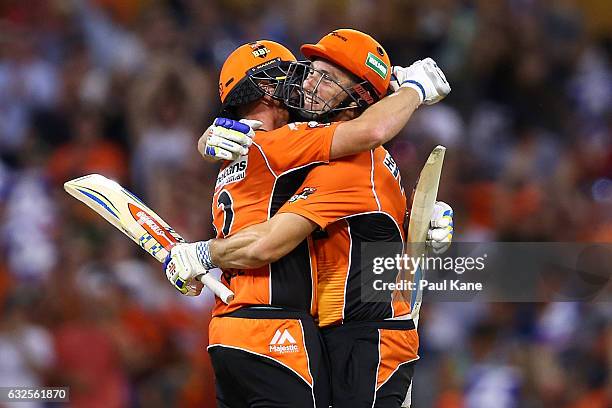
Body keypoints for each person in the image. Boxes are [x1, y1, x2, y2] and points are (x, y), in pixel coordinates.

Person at [167, 30, 452, 407]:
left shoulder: (346, 159)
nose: (305, 85)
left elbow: (371, 136)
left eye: (323, 77)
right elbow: (369, 135)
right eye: (307, 74)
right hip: (313, 331)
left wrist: (421, 217)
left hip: (360, 334)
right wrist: (407, 89)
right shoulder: (307, 147)